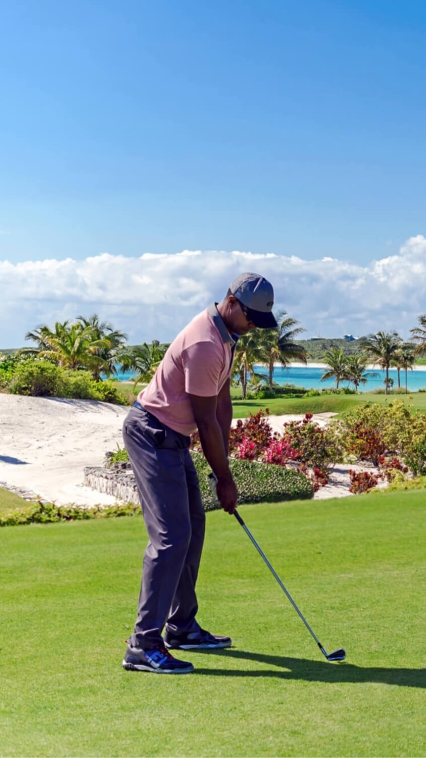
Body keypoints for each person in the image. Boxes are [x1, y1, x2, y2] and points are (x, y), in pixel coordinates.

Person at [121, 273, 278, 674]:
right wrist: (224, 478)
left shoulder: (226, 337)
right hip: (153, 434)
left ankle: (181, 626)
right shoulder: (207, 343)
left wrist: (223, 461)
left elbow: (221, 405)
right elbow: (205, 421)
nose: (253, 328)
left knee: (192, 528)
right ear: (232, 302)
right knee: (171, 538)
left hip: (173, 439)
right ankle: (143, 643)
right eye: (251, 318)